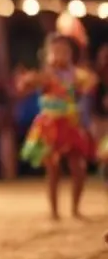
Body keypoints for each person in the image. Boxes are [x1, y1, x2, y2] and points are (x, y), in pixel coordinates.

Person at [17, 34, 97, 219]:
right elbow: (25, 86)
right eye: (56, 50)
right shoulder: (45, 75)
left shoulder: (77, 74)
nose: (61, 54)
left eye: (65, 50)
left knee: (79, 168)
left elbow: (90, 84)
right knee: (53, 169)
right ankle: (54, 211)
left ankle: (75, 208)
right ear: (48, 54)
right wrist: (27, 81)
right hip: (50, 126)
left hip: (70, 125)